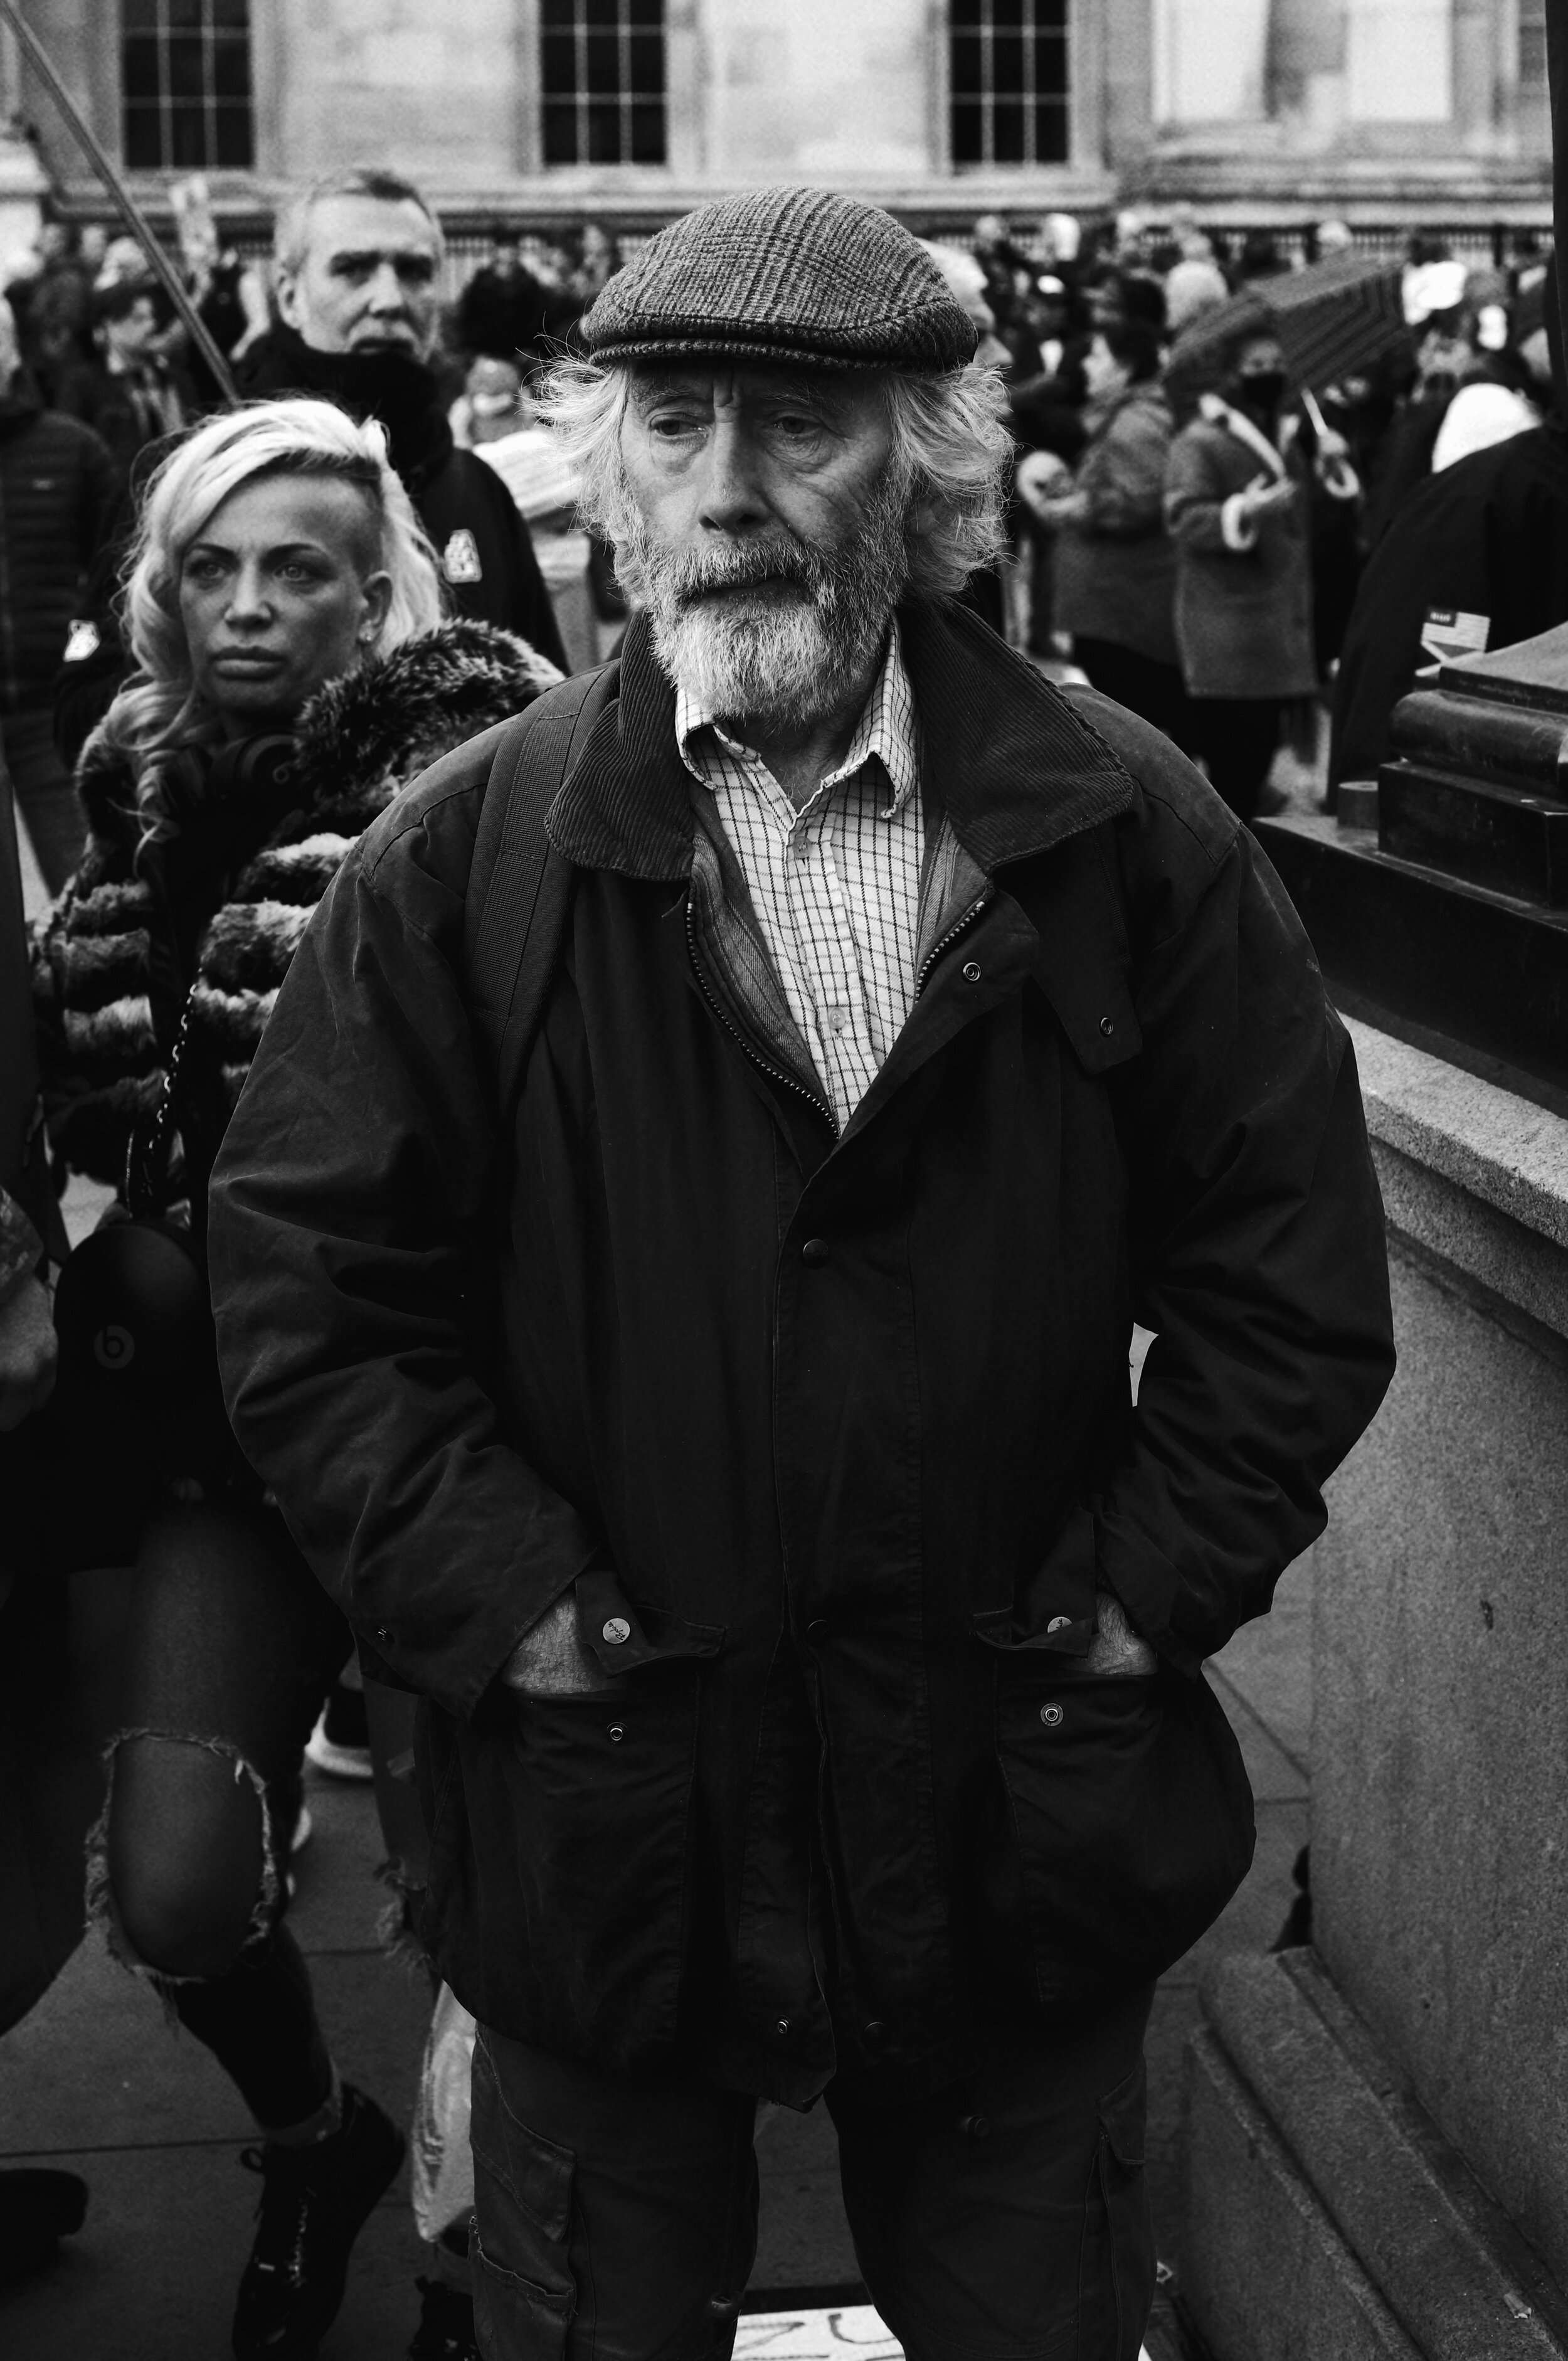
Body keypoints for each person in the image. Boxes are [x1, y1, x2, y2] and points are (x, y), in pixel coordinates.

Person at [207, 186, 1395, 2361]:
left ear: (923, 470)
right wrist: (513, 1608)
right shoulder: (466, 856)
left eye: (800, 426)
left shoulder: (1120, 826)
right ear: (611, 467)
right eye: (675, 423)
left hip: (1009, 1780)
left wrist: (1140, 1590)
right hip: (613, 1795)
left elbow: (1289, 1258)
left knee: (1026, 2310)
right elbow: (309, 1292)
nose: (729, 488)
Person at [23, 398, 559, 2360]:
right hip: (223, 1441)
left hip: (450, 1425)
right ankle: (313, 2139)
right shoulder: (136, 778)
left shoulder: (484, 779)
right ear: (163, 590)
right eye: (213, 567)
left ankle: (478, 2263)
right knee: (176, 1885)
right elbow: (98, 1085)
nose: (250, 604)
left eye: (299, 569)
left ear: (375, 589)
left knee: (490, 1894)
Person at [237, 166, 568, 672]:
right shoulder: (210, 481)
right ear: (288, 296)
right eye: (353, 269)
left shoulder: (478, 490)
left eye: (414, 272)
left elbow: (550, 701)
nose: (390, 301)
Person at [1165, 310, 1359, 820]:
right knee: (1236, 766)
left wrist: (1330, 466)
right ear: (1232, 373)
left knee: (1255, 762)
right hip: (1229, 634)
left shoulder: (1288, 436)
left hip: (1277, 629)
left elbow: (1304, 521)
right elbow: (1183, 519)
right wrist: (1243, 511)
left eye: (1276, 362)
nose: (1269, 372)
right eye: (1255, 364)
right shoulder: (1200, 441)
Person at [0, 293, 119, 891]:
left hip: (47, 713)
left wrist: (80, 652)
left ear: (12, 351)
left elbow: (116, 569)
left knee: (83, 883)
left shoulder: (73, 449)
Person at [1028, 317, 1188, 745]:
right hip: (1116, 605)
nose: (1087, 365)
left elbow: (1139, 501)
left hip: (1122, 612)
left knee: (1130, 728)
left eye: (1098, 356)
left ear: (1125, 366)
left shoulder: (1135, 424)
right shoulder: (1124, 416)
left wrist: (1080, 508)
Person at [57, 277, 193, 475]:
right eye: (138, 319)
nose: (151, 326)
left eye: (151, 317)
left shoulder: (172, 379)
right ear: (110, 326)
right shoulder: (83, 385)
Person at [457, 224, 569, 372]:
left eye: (511, 248)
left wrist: (530, 350)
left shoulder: (528, 284)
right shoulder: (481, 285)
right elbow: (470, 319)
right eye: (504, 247)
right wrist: (475, 352)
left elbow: (539, 321)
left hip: (521, 355)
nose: (508, 252)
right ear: (496, 251)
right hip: (487, 354)